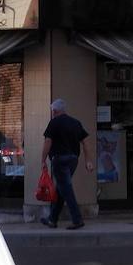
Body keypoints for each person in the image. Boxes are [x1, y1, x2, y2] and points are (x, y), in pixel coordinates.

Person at [40, 98, 93, 230]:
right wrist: (88, 160)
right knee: (61, 189)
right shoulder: (75, 123)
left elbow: (48, 142)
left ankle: (77, 219)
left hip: (60, 159)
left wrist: (43, 160)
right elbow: (86, 142)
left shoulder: (54, 123)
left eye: (52, 111)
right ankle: (52, 219)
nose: (52, 113)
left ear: (55, 111)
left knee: (66, 190)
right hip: (73, 159)